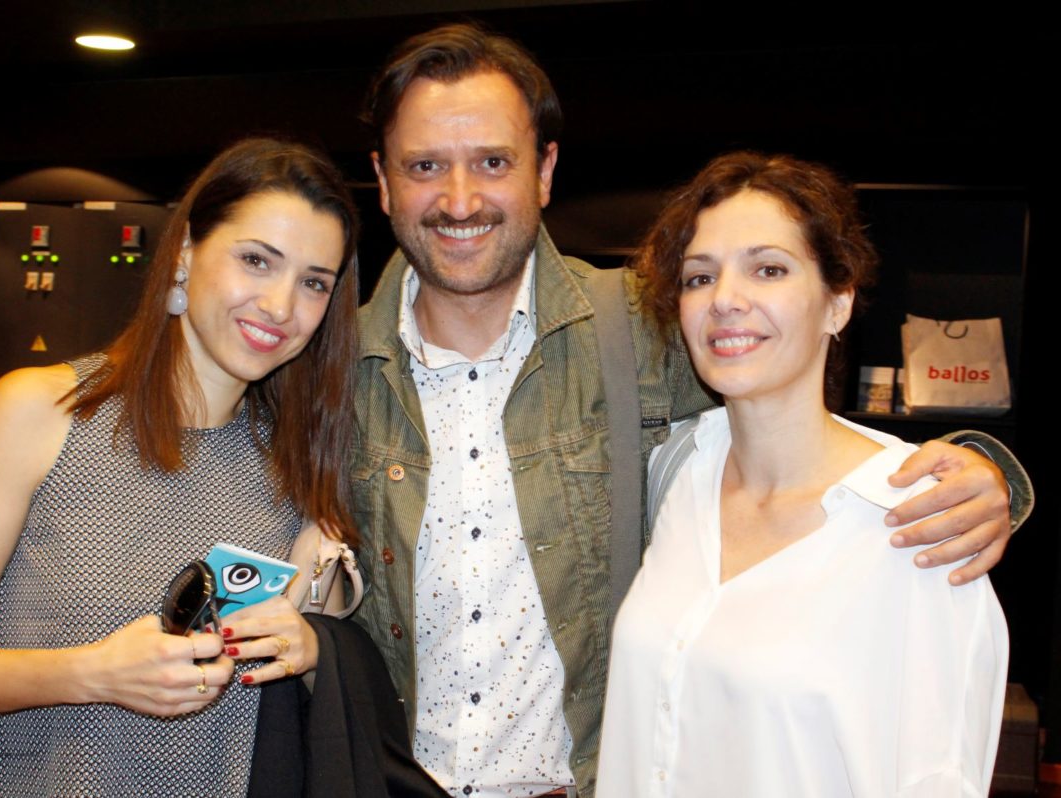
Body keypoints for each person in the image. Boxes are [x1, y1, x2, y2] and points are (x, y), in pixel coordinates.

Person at [350, 23, 1025, 798]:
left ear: (545, 171)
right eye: (425, 165)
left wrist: (987, 473)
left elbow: (787, 407)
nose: (460, 199)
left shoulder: (642, 329)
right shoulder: (327, 370)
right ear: (383, 180)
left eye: (494, 162)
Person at [0, 137, 360, 797]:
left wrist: (306, 644)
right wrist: (93, 674)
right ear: (186, 254)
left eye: (313, 283)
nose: (281, 306)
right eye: (256, 260)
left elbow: (303, 702)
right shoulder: (42, 413)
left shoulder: (298, 462)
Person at [598, 152, 1009, 795]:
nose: (725, 300)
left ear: (837, 303)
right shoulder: (678, 470)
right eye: (700, 277)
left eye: (768, 269)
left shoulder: (919, 521)